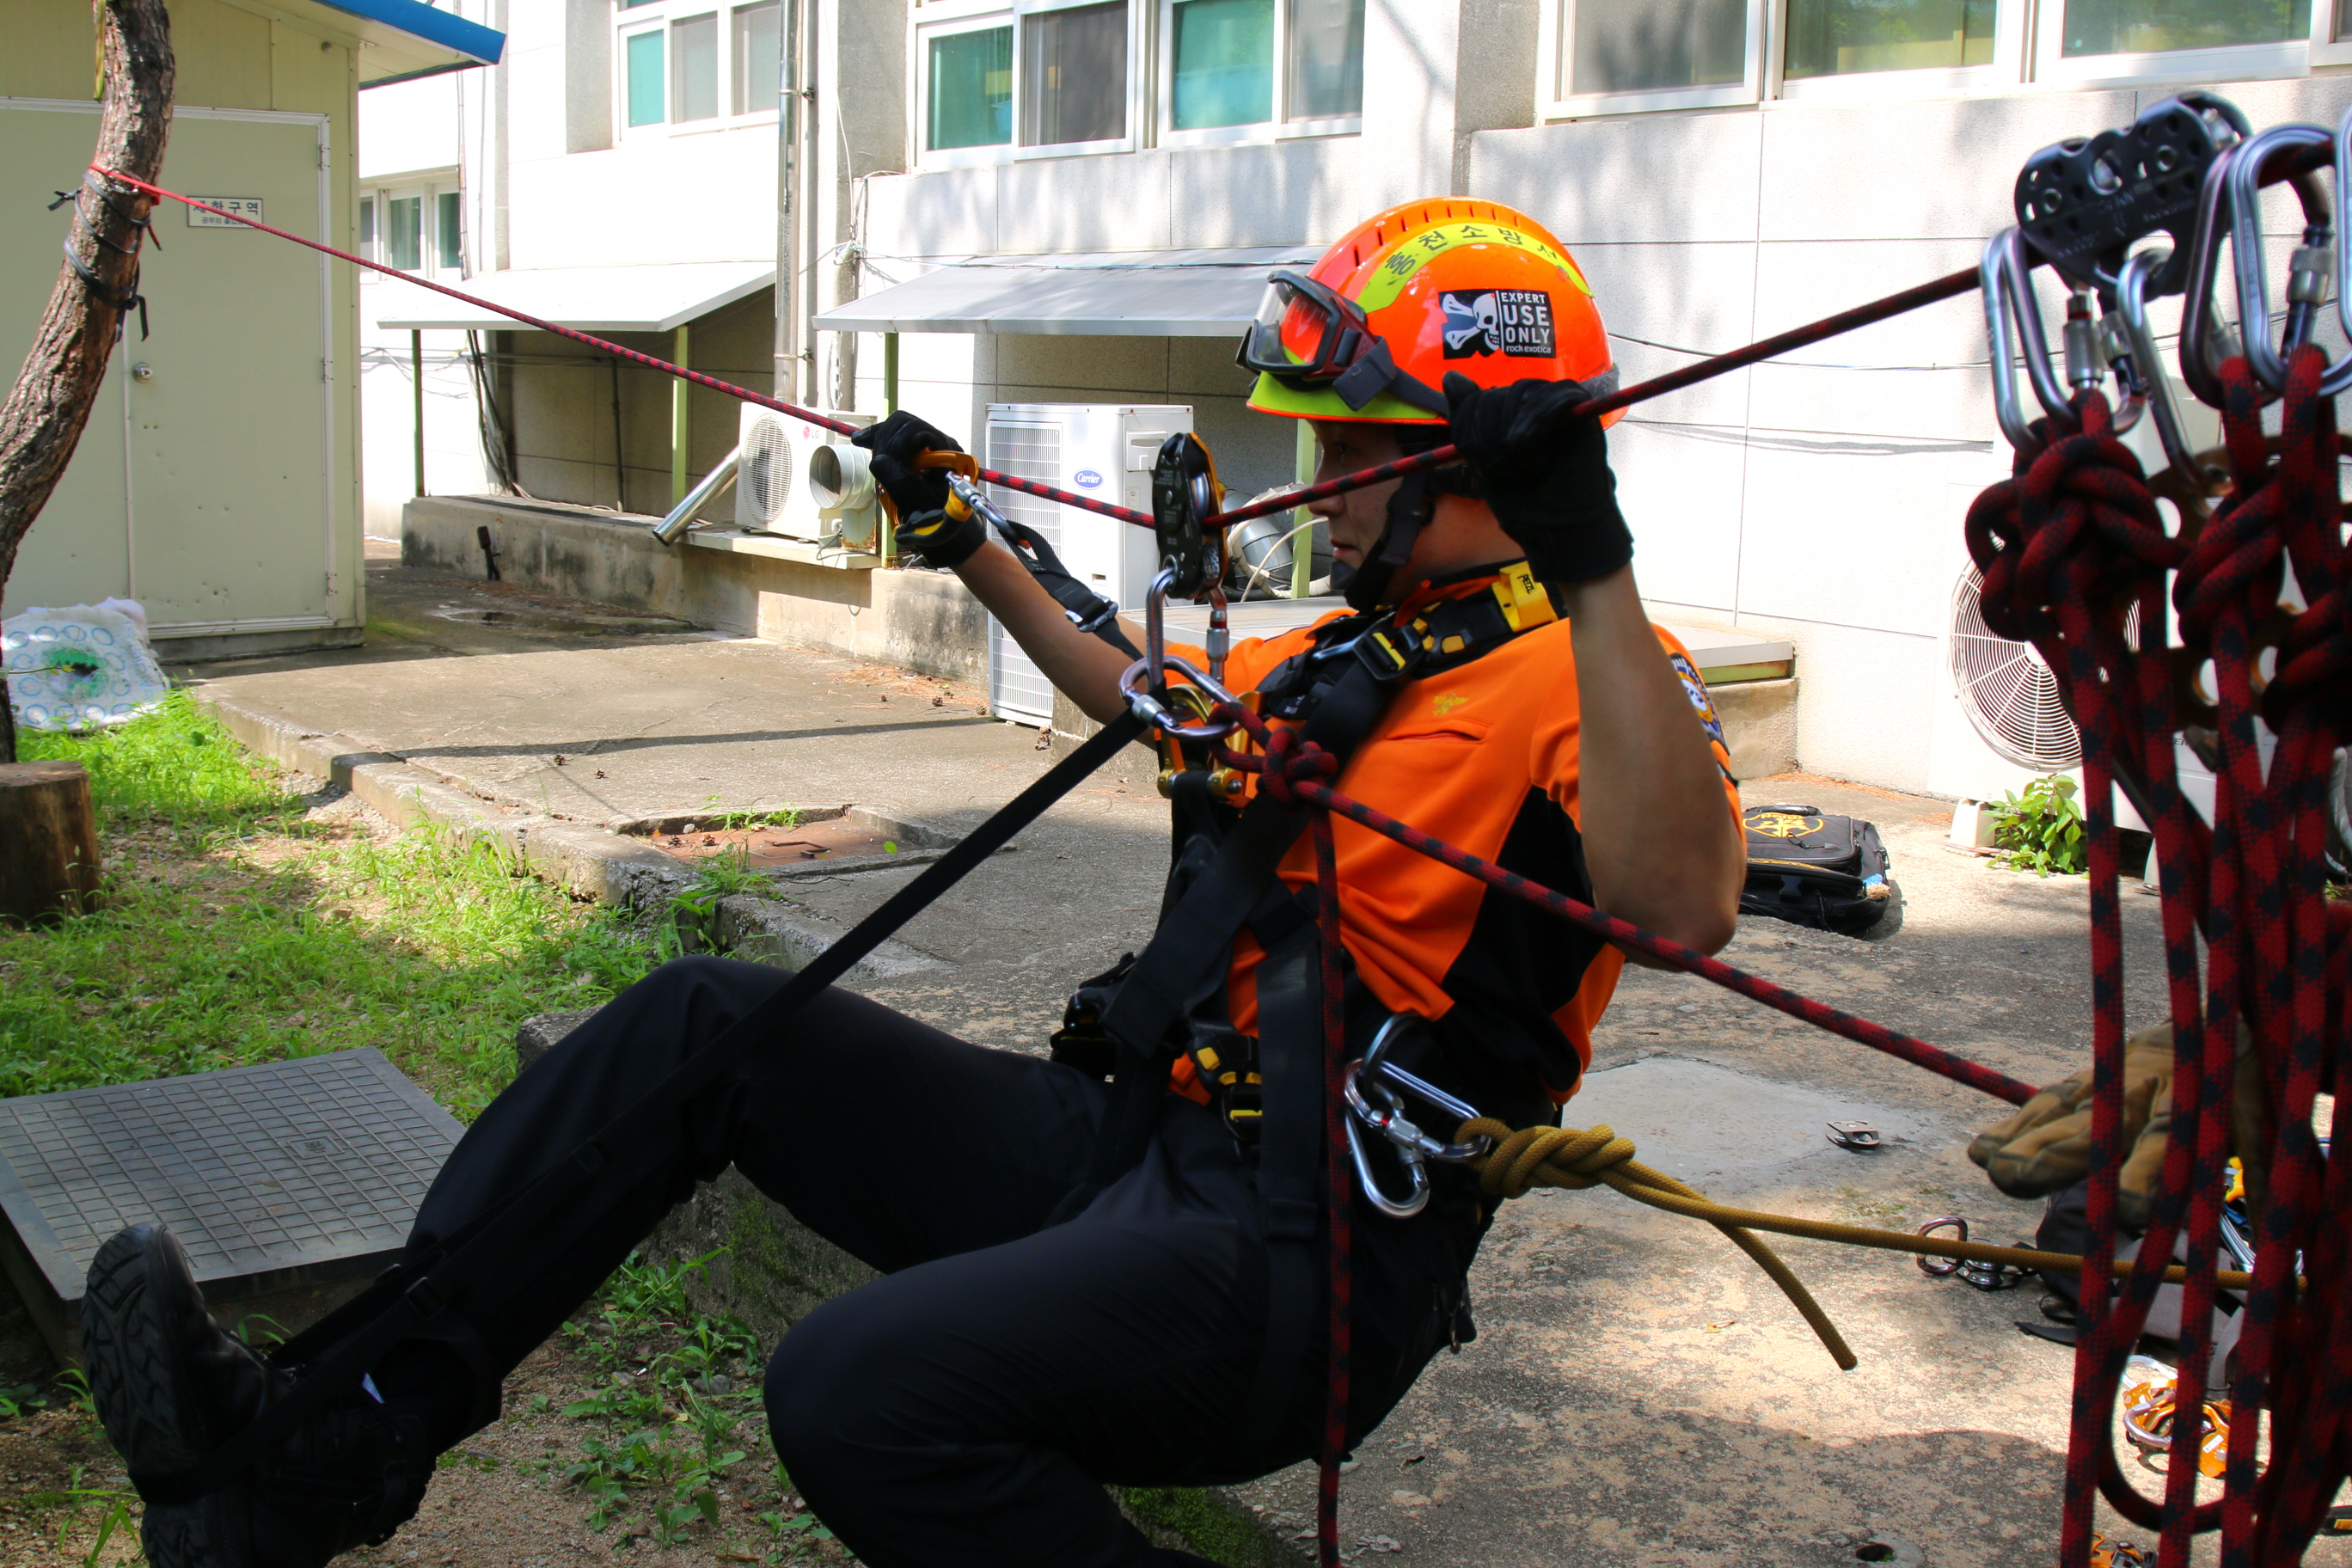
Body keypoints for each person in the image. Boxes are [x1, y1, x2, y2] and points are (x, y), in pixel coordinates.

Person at [82, 197, 1746, 1568]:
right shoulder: (1353, 654)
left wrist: (1593, 557)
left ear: (1463, 462)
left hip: (1301, 1250)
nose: (1305, 468)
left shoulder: (1596, 673)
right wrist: (964, 538)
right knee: (704, 1025)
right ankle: (325, 1449)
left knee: (861, 1391)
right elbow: (1140, 690)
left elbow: (1681, 909)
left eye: (1345, 445)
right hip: (1127, 1146)